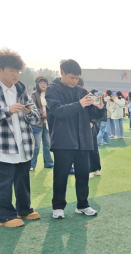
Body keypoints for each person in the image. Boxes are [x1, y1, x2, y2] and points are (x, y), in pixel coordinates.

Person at [0, 48, 41, 227]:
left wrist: (28, 112)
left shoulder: (21, 89)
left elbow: (36, 117)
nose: (16, 74)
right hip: (2, 145)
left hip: (23, 144)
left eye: (18, 71)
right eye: (12, 70)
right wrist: (7, 110)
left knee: (23, 180)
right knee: (2, 182)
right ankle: (4, 216)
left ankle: (24, 209)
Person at [45, 59, 105, 219]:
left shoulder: (82, 91)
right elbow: (58, 111)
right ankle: (58, 207)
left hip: (83, 139)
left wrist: (100, 108)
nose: (74, 81)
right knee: (61, 176)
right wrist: (80, 104)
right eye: (72, 77)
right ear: (62, 73)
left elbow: (93, 114)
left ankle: (83, 205)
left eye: (77, 78)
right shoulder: (52, 90)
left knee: (83, 174)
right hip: (63, 140)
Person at [29, 76, 54, 171]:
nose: (43, 85)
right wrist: (42, 113)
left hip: (47, 122)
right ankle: (32, 164)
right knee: (36, 145)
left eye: (45, 83)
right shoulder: (34, 94)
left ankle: (49, 163)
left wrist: (49, 113)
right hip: (37, 123)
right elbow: (32, 107)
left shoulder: (50, 94)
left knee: (47, 144)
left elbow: (53, 105)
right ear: (37, 85)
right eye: (41, 83)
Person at [88, 89, 103, 177]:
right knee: (87, 150)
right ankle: (89, 170)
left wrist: (92, 122)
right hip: (82, 127)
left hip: (91, 127)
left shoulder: (91, 99)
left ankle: (95, 169)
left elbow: (97, 114)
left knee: (93, 149)